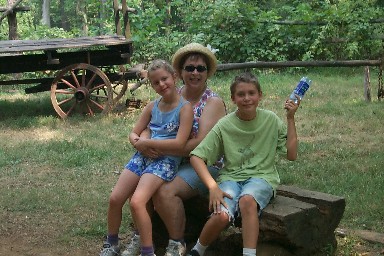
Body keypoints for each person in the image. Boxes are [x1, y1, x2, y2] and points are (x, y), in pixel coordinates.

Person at [121, 43, 227, 256]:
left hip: (203, 164)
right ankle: (142, 235)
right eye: (189, 68)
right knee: (140, 183)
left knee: (164, 191)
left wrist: (154, 147)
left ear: (207, 73)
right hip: (171, 158)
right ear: (180, 73)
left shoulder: (212, 102)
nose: (195, 73)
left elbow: (199, 145)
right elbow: (152, 125)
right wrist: (143, 143)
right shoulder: (173, 92)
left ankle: (176, 243)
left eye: (200, 68)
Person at [187, 72, 300, 256]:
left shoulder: (270, 120)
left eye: (251, 93)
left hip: (262, 177)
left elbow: (292, 155)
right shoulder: (225, 124)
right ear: (233, 98)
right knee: (221, 215)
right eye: (241, 94)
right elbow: (196, 157)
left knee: (247, 201)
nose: (247, 98)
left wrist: (290, 118)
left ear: (260, 95)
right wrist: (213, 186)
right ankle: (197, 250)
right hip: (230, 178)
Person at [100, 59, 194, 256]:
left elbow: (179, 144)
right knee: (115, 198)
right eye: (156, 82)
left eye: (164, 79)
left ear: (174, 77)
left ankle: (147, 250)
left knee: (137, 201)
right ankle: (112, 243)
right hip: (142, 156)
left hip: (165, 161)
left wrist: (147, 143)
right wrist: (139, 144)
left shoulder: (185, 109)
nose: (162, 85)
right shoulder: (152, 106)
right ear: (151, 85)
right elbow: (133, 133)